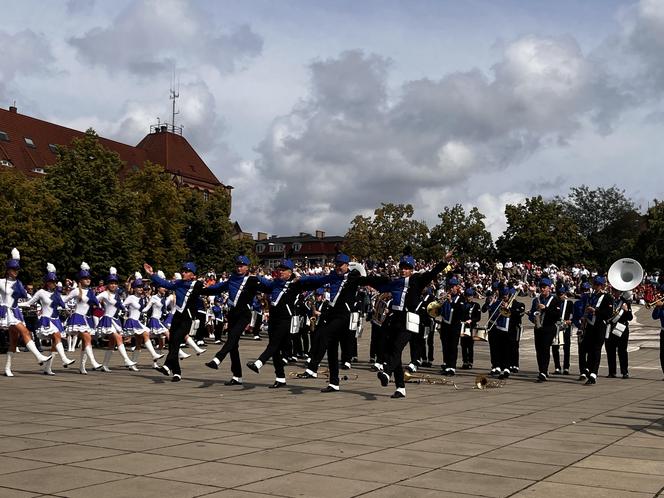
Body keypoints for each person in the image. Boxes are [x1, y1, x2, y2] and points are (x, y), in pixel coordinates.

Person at [373, 250, 454, 398]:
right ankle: (401, 388)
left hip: (409, 320)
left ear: (412, 269)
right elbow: (383, 289)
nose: (404, 270)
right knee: (391, 351)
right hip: (394, 319)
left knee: (397, 348)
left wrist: (444, 261)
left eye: (407, 268)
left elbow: (431, 274)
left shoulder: (417, 280)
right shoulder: (396, 282)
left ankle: (386, 372)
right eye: (402, 267)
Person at [245, 259, 321, 388]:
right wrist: (254, 278)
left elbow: (313, 282)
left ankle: (259, 363)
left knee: (274, 344)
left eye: (283, 270)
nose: (280, 272)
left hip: (285, 319)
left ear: (290, 272)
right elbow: (264, 284)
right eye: (279, 269)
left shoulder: (295, 284)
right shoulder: (275, 283)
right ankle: (280, 378)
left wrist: (300, 278)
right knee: (275, 350)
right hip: (273, 318)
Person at [202, 256, 263, 385]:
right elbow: (218, 288)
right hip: (233, 314)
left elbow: (268, 286)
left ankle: (217, 359)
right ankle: (237, 376)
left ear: (247, 267)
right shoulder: (232, 279)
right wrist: (201, 290)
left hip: (244, 314)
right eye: (237, 266)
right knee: (233, 346)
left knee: (232, 338)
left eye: (242, 266)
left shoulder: (252, 280)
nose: (239, 268)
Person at [144, 261, 204, 382]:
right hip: (177, 316)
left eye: (186, 272)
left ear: (192, 274)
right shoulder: (178, 283)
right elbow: (164, 283)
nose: (183, 273)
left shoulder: (197, 284)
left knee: (176, 340)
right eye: (182, 271)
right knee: (172, 343)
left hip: (187, 317)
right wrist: (152, 274)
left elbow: (210, 290)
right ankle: (177, 372)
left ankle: (167, 366)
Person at [2, 251, 54, 377]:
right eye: (13, 269)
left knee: (13, 342)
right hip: (5, 312)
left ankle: (7, 368)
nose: (16, 271)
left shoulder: (18, 283)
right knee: (25, 331)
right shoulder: (1, 282)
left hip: (14, 312)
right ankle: (39, 356)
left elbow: (24, 296)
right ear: (8, 270)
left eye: (17, 269)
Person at [18, 263, 76, 375]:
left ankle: (47, 368)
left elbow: (63, 304)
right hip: (46, 320)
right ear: (47, 282)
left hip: (56, 320)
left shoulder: (57, 294)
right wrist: (15, 305)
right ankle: (64, 359)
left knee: (55, 342)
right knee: (57, 336)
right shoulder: (41, 292)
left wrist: (70, 309)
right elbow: (29, 303)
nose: (53, 283)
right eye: (51, 281)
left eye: (54, 281)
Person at [63, 262, 103, 374]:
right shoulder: (76, 291)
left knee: (86, 341)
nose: (88, 280)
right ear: (80, 280)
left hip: (86, 318)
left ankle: (82, 366)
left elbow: (96, 303)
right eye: (85, 278)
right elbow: (64, 300)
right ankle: (94, 362)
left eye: (89, 278)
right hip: (77, 317)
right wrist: (65, 309)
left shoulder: (91, 292)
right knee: (87, 338)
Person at [95, 267, 137, 371]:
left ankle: (104, 365)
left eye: (115, 283)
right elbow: (94, 300)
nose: (113, 285)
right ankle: (127, 360)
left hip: (115, 320)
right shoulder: (104, 293)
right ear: (107, 284)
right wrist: (99, 306)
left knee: (112, 344)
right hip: (107, 320)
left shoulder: (117, 295)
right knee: (118, 338)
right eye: (111, 283)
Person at [580, 275, 613, 385]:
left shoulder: (607, 297)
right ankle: (589, 370)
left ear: (602, 286)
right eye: (594, 284)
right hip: (590, 326)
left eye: (597, 285)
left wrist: (595, 311)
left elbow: (608, 314)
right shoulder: (592, 296)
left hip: (600, 326)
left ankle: (594, 373)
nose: (595, 286)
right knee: (588, 349)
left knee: (596, 349)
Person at [528, 278, 561, 383]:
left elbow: (557, 315)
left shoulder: (555, 300)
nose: (542, 289)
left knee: (545, 349)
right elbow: (532, 313)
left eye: (544, 287)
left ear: (549, 288)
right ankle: (542, 370)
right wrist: (533, 317)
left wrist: (545, 308)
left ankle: (543, 371)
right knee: (539, 350)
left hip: (549, 327)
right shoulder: (536, 300)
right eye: (541, 287)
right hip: (538, 327)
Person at [605, 290, 633, 379]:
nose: (615, 293)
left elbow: (630, 317)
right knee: (610, 350)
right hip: (610, 326)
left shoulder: (625, 303)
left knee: (622, 351)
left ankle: (625, 372)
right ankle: (612, 372)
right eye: (614, 291)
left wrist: (626, 310)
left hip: (622, 327)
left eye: (617, 292)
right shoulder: (609, 301)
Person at [552, 286, 573, 375]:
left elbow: (572, 314)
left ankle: (566, 367)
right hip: (556, 326)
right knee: (555, 347)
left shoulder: (569, 303)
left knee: (566, 347)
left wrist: (569, 321)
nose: (561, 296)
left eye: (562, 294)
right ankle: (557, 367)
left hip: (565, 327)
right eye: (559, 294)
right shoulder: (554, 302)